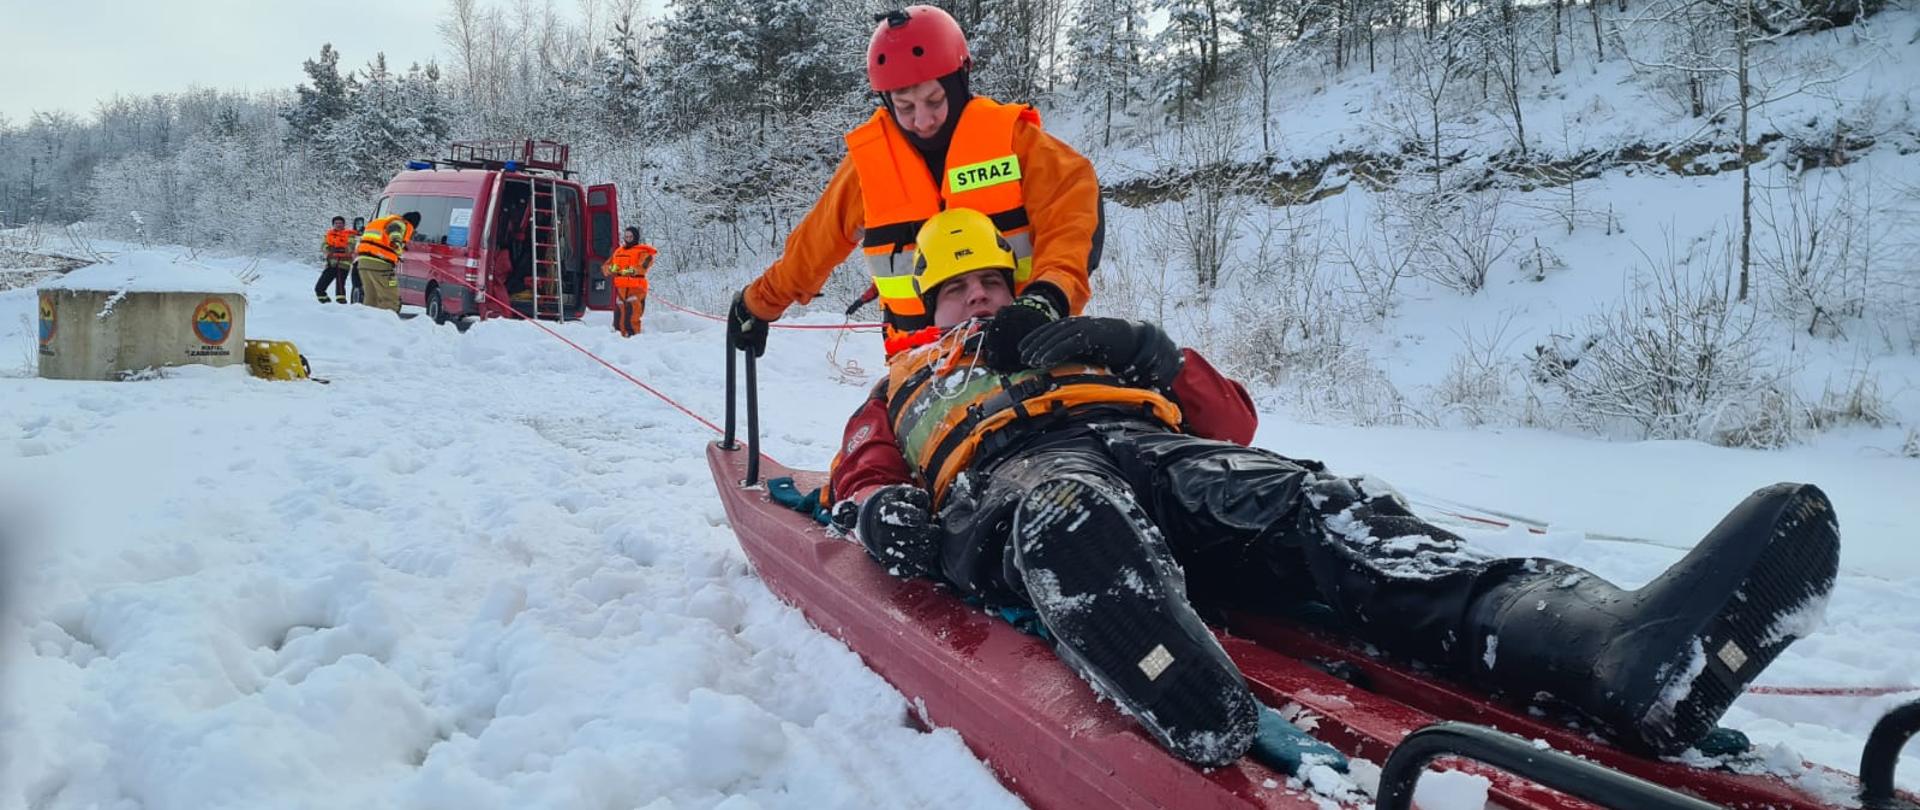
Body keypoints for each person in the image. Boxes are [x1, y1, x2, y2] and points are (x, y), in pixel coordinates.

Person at [827, 208, 1841, 767]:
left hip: (1160, 455)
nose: (980, 299)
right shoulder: (908, 382)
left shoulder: (1078, 337)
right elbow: (864, 470)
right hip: (1019, 475)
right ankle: (1166, 666)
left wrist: (1146, 350)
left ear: (1011, 279)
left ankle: (1609, 654)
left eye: (991, 281)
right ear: (929, 297)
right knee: (1068, 511)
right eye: (959, 287)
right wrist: (881, 512)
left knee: (1325, 507)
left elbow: (1234, 423)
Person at [727, 5, 1103, 370]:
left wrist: (1047, 298)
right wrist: (759, 303)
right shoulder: (869, 168)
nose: (922, 120)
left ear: (959, 82)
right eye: (904, 107)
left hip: (1024, 351)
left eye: (934, 100)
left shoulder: (1016, 143)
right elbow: (811, 249)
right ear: (886, 102)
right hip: (921, 369)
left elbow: (1071, 218)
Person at [354, 211, 421, 313]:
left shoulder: (379, 222)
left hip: (363, 264)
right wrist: (396, 242)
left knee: (371, 297)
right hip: (381, 266)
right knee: (391, 297)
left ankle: (367, 322)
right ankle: (386, 325)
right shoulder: (400, 223)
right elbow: (394, 230)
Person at [602, 227, 657, 337]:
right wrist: (612, 269)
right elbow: (606, 266)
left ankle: (633, 335)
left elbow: (644, 266)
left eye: (630, 236)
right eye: (626, 236)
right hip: (621, 288)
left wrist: (631, 271)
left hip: (636, 288)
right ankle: (618, 336)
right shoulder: (618, 251)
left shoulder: (643, 251)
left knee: (632, 313)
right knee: (619, 314)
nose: (628, 239)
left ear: (635, 237)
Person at [317, 216, 355, 304]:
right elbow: (323, 246)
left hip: (343, 264)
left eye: (340, 223)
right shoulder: (328, 235)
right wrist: (329, 249)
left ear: (344, 224)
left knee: (340, 288)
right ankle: (327, 304)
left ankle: (341, 305)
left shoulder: (350, 235)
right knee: (319, 287)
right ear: (333, 225)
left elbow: (351, 247)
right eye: (336, 223)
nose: (338, 225)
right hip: (331, 264)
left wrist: (339, 249)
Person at [348, 217, 367, 303]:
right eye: (358, 224)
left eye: (360, 224)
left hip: (365, 261)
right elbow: (349, 247)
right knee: (356, 284)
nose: (359, 226)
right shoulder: (352, 235)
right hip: (358, 261)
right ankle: (356, 302)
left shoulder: (366, 234)